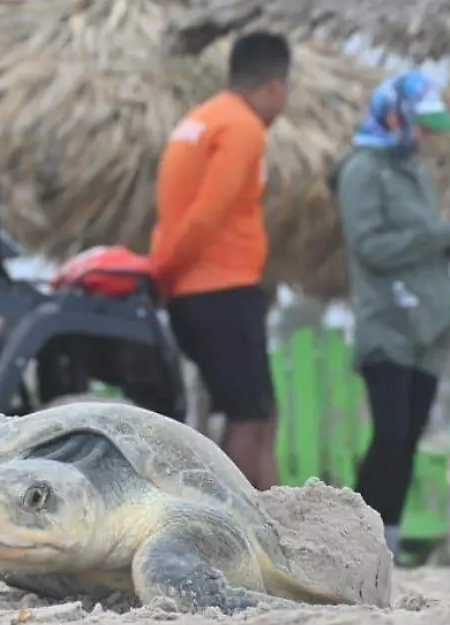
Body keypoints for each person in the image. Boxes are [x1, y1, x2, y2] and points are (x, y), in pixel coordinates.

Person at [328, 70, 450, 556]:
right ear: (394, 115)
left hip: (430, 325)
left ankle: (389, 539)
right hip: (388, 324)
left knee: (410, 436)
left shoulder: (414, 170)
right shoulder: (362, 170)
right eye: (420, 125)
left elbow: (416, 244)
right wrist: (445, 234)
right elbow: (371, 246)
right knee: (390, 432)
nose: (425, 136)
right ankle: (351, 538)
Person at [149, 31, 292, 490]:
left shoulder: (199, 120)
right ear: (272, 85)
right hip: (220, 290)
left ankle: (266, 519)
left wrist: (166, 275)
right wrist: (165, 271)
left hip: (197, 292)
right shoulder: (242, 127)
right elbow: (206, 215)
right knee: (252, 417)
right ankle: (256, 523)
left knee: (254, 410)